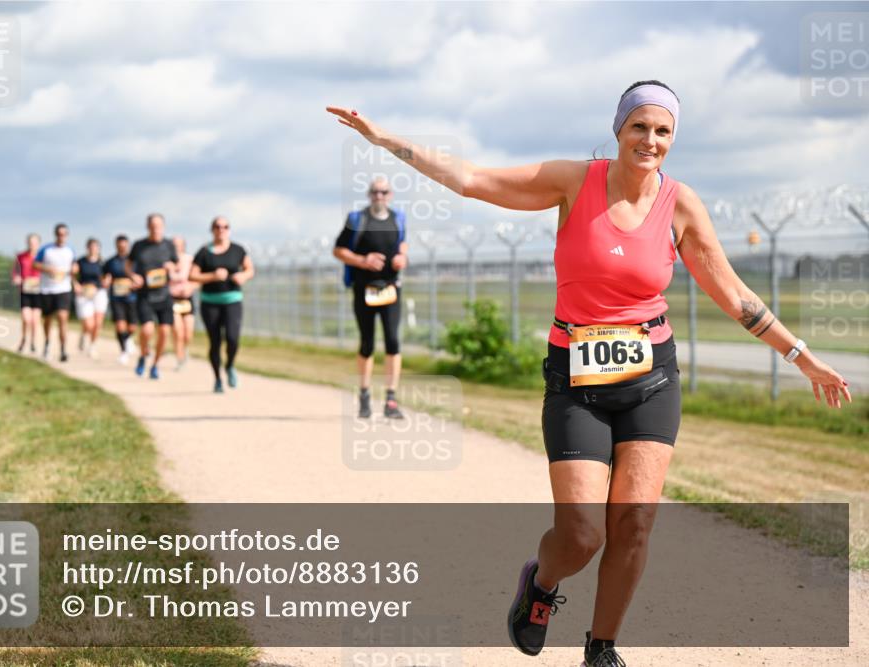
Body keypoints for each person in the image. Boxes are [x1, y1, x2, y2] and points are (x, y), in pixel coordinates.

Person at [327, 81, 852, 666]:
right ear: (619, 129)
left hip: (652, 378)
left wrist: (801, 356)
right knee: (581, 534)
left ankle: (601, 648)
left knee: (633, 527)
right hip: (576, 381)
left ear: (672, 139)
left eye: (663, 131)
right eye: (639, 127)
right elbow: (471, 180)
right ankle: (540, 587)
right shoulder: (575, 182)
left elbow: (733, 293)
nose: (650, 140)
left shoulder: (680, 204)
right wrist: (382, 138)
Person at [332, 177, 408, 419]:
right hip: (364, 289)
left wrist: (402, 257)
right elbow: (339, 250)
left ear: (390, 195)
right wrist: (362, 261)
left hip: (391, 288)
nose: (379, 196)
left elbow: (403, 243)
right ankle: (364, 395)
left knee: (393, 341)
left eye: (383, 192)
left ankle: (391, 399)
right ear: (369, 195)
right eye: (375, 192)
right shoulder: (358, 220)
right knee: (367, 343)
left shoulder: (398, 218)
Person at [190, 216, 254, 392]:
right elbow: (192, 275)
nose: (221, 229)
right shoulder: (203, 252)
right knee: (215, 341)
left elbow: (250, 269)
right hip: (210, 302)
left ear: (229, 229)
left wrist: (243, 276)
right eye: (218, 226)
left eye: (225, 226)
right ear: (212, 229)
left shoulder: (238, 250)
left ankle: (230, 365)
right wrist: (212, 276)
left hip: (232, 300)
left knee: (233, 338)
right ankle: (217, 379)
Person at [127, 213, 178, 380]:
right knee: (147, 330)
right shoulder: (139, 245)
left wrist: (171, 267)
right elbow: (128, 265)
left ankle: (155, 365)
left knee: (164, 332)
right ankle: (143, 355)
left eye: (159, 226)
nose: (156, 229)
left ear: (163, 227)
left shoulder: (169, 245)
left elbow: (176, 264)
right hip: (145, 295)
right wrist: (133, 276)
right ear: (147, 227)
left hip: (164, 295)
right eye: (152, 226)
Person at [33, 223, 76, 362]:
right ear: (55, 234)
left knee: (63, 318)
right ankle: (47, 343)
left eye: (64, 234)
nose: (61, 236)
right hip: (47, 289)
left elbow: (74, 266)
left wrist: (75, 270)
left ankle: (63, 349)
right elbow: (35, 264)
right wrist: (48, 269)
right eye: (59, 234)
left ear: (67, 235)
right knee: (48, 319)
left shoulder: (70, 250)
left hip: (63, 289)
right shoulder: (46, 249)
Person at [103, 234, 137, 365]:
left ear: (128, 245)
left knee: (132, 326)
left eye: (124, 245)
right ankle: (123, 351)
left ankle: (128, 339)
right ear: (116, 246)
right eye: (119, 245)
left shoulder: (134, 261)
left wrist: (135, 283)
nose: (122, 247)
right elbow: (105, 276)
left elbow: (140, 277)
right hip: (116, 297)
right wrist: (106, 281)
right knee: (120, 325)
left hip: (132, 297)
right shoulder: (110, 262)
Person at [169, 235, 200, 371]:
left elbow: (198, 278)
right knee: (177, 331)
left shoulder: (190, 260)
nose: (176, 247)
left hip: (187, 300)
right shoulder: (166, 261)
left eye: (179, 244)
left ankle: (185, 349)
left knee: (188, 332)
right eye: (174, 244)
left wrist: (191, 287)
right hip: (172, 299)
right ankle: (179, 358)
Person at [74, 238, 108, 359]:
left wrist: (107, 281)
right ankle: (84, 333)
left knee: (98, 323)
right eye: (91, 246)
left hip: (99, 292)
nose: (94, 249)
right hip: (84, 292)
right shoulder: (80, 261)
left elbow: (108, 276)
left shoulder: (102, 263)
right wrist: (76, 285)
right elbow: (72, 275)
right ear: (87, 248)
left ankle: (92, 345)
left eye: (96, 246)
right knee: (89, 324)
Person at [12, 233, 42, 353]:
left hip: (39, 291)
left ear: (38, 244)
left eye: (34, 243)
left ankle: (33, 342)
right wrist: (16, 278)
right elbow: (15, 271)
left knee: (35, 320)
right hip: (25, 290)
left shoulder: (43, 257)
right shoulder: (20, 256)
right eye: (30, 242)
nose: (32, 245)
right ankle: (24, 339)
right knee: (26, 318)